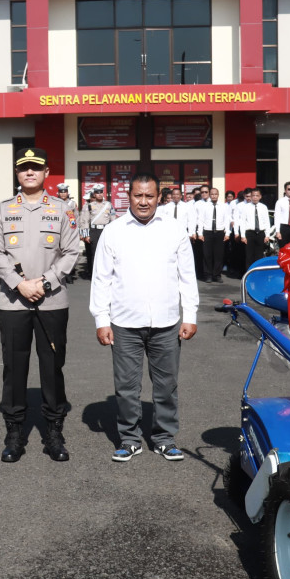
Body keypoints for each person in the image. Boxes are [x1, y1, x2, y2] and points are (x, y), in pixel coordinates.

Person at [91, 172, 199, 462]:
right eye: (138, 195)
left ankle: (164, 437)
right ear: (129, 196)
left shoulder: (174, 230)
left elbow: (187, 276)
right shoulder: (113, 231)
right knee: (126, 387)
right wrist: (101, 319)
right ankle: (129, 438)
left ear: (158, 197)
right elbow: (101, 279)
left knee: (167, 385)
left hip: (166, 323)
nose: (143, 202)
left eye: (149, 196)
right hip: (124, 323)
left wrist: (190, 314)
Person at [0, 148, 83, 463]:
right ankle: (14, 433)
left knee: (52, 367)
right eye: (24, 168)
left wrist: (46, 282)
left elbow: (72, 251)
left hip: (52, 301)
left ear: (46, 173)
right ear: (17, 173)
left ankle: (54, 431)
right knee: (14, 368)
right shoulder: (2, 210)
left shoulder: (62, 210)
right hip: (13, 302)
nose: (29, 173)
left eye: (35, 168)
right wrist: (19, 284)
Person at [79, 184, 115, 279]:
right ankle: (95, 275)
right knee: (94, 254)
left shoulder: (108, 205)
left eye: (101, 192)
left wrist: (113, 233)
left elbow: (113, 219)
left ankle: (106, 274)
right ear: (94, 194)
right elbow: (85, 221)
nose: (99, 194)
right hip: (94, 231)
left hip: (105, 230)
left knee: (107, 253)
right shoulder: (90, 206)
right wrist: (86, 235)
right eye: (97, 193)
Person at [233, 187, 272, 269]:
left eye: (257, 195)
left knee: (259, 256)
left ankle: (258, 274)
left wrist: (267, 235)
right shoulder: (246, 207)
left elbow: (266, 222)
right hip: (249, 233)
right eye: (253, 195)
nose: (255, 197)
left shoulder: (263, 207)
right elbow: (242, 222)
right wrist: (243, 236)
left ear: (260, 196)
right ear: (250, 197)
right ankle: (249, 274)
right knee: (249, 256)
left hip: (260, 233)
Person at [197, 187, 226, 283]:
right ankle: (208, 275)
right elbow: (200, 220)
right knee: (207, 255)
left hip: (219, 232)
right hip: (208, 232)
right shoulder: (204, 206)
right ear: (209, 195)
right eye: (212, 194)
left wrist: (228, 233)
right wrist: (200, 233)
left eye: (215, 194)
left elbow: (226, 219)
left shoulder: (223, 206)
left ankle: (217, 275)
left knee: (219, 255)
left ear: (218, 195)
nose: (214, 196)